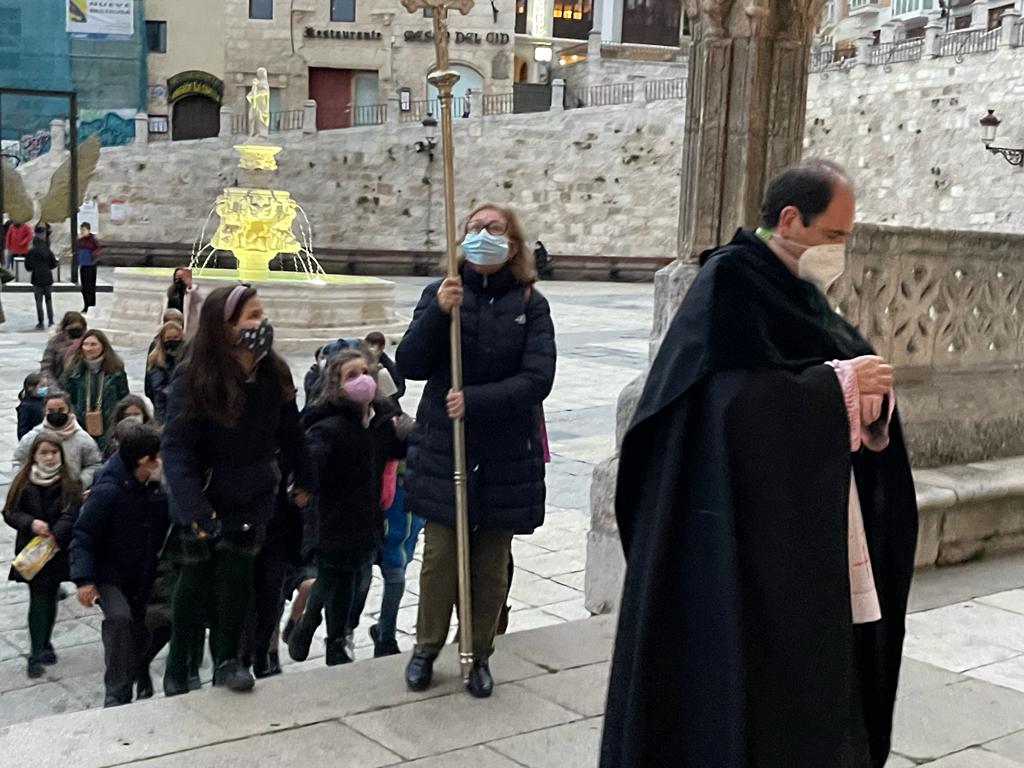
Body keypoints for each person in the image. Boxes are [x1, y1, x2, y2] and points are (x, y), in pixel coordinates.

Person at [599, 160, 918, 768]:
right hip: (734, 538)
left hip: (803, 527)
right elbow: (721, 407)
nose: (839, 250)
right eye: (833, 235)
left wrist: (867, 397)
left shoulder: (798, 290)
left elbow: (835, 367)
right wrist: (836, 391)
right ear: (790, 219)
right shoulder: (729, 283)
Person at [397, 202, 556, 698]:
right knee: (440, 559)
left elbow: (538, 378)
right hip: (446, 447)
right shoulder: (441, 292)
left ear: (512, 244)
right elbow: (410, 363)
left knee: (489, 566)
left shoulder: (530, 304)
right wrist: (438, 314)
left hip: (505, 452)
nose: (483, 235)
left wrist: (476, 400)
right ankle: (426, 648)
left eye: (494, 228)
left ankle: (479, 652)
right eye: (474, 228)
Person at [161, 283, 314, 694]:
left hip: (252, 494)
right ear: (225, 326)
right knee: (194, 583)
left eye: (261, 314)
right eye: (252, 316)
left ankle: (229, 660)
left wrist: (305, 478)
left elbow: (292, 433)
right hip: (204, 495)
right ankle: (179, 666)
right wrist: (193, 507)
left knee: (237, 580)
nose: (261, 323)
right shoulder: (195, 375)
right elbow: (176, 447)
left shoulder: (273, 373)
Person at [287, 349, 407, 666]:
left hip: (367, 518)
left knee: (350, 582)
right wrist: (302, 486)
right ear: (337, 385)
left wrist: (417, 432)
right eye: (351, 375)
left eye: (365, 373)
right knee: (334, 578)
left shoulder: (381, 422)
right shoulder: (329, 426)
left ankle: (327, 635)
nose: (361, 380)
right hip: (333, 519)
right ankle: (323, 633)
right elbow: (311, 459)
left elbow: (398, 448)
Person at [70, 424, 168, 707]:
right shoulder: (108, 492)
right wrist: (84, 580)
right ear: (144, 460)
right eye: (159, 456)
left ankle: (134, 670)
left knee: (158, 623)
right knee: (120, 620)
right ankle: (116, 691)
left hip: (143, 572)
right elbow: (83, 535)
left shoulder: (155, 487)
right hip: (108, 574)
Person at [3, 435, 83, 678]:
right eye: (44, 453)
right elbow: (10, 512)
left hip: (57, 549)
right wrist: (31, 523)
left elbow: (73, 512)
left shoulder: (70, 482)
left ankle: (45, 642)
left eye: (53, 452)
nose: (49, 457)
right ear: (34, 456)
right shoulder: (24, 482)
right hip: (33, 551)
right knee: (39, 598)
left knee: (50, 595)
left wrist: (57, 533)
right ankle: (37, 650)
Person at [15, 390, 104, 489]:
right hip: (37, 491)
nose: (56, 413)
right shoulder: (32, 437)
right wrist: (25, 483)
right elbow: (18, 461)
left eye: (61, 410)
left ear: (69, 410)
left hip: (71, 493)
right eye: (51, 410)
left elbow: (94, 464)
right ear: (44, 411)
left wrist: (80, 483)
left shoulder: (82, 438)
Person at [62, 329, 130, 449]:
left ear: (103, 346)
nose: (89, 348)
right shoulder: (74, 372)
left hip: (109, 424)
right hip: (80, 424)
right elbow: (68, 397)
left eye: (93, 344)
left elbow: (123, 397)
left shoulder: (116, 371)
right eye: (85, 344)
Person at [145, 322, 184, 423]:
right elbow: (153, 389)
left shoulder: (187, 357)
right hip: (162, 411)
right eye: (168, 338)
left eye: (176, 337)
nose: (172, 341)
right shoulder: (156, 360)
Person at [102, 395, 155, 459]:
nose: (132, 418)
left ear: (144, 415)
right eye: (127, 415)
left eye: (136, 414)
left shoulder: (153, 437)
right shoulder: (113, 441)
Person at [41, 312, 87, 384]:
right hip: (58, 382)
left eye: (78, 328)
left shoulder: (88, 342)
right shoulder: (55, 342)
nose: (75, 330)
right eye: (71, 327)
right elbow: (46, 366)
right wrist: (52, 385)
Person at [25, 233, 57, 330]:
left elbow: (28, 267)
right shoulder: (48, 251)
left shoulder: (31, 252)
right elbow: (54, 264)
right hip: (47, 278)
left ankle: (41, 322)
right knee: (49, 300)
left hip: (36, 279)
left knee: (38, 302)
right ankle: (51, 320)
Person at [365, 331, 406, 402]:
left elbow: (400, 388)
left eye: (373, 346)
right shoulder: (360, 363)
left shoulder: (391, 367)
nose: (370, 350)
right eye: (368, 346)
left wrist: (387, 400)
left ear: (381, 348)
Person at [73, 223, 102, 314]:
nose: (82, 232)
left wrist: (93, 257)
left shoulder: (93, 241)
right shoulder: (79, 241)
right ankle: (86, 304)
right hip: (83, 266)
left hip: (91, 266)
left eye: (84, 230)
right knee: (84, 287)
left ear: (88, 230)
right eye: (81, 230)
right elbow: (77, 251)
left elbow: (99, 250)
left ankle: (91, 304)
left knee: (90, 286)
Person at [165, 268, 203, 338]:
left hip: (187, 328)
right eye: (177, 277)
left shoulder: (192, 292)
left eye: (181, 277)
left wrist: (189, 285)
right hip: (171, 323)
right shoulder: (170, 291)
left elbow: (198, 300)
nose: (179, 279)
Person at [17, 372, 47, 440]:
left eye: (46, 386)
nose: (45, 388)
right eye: (42, 386)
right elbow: (23, 428)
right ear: (31, 388)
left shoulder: (45, 401)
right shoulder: (26, 406)